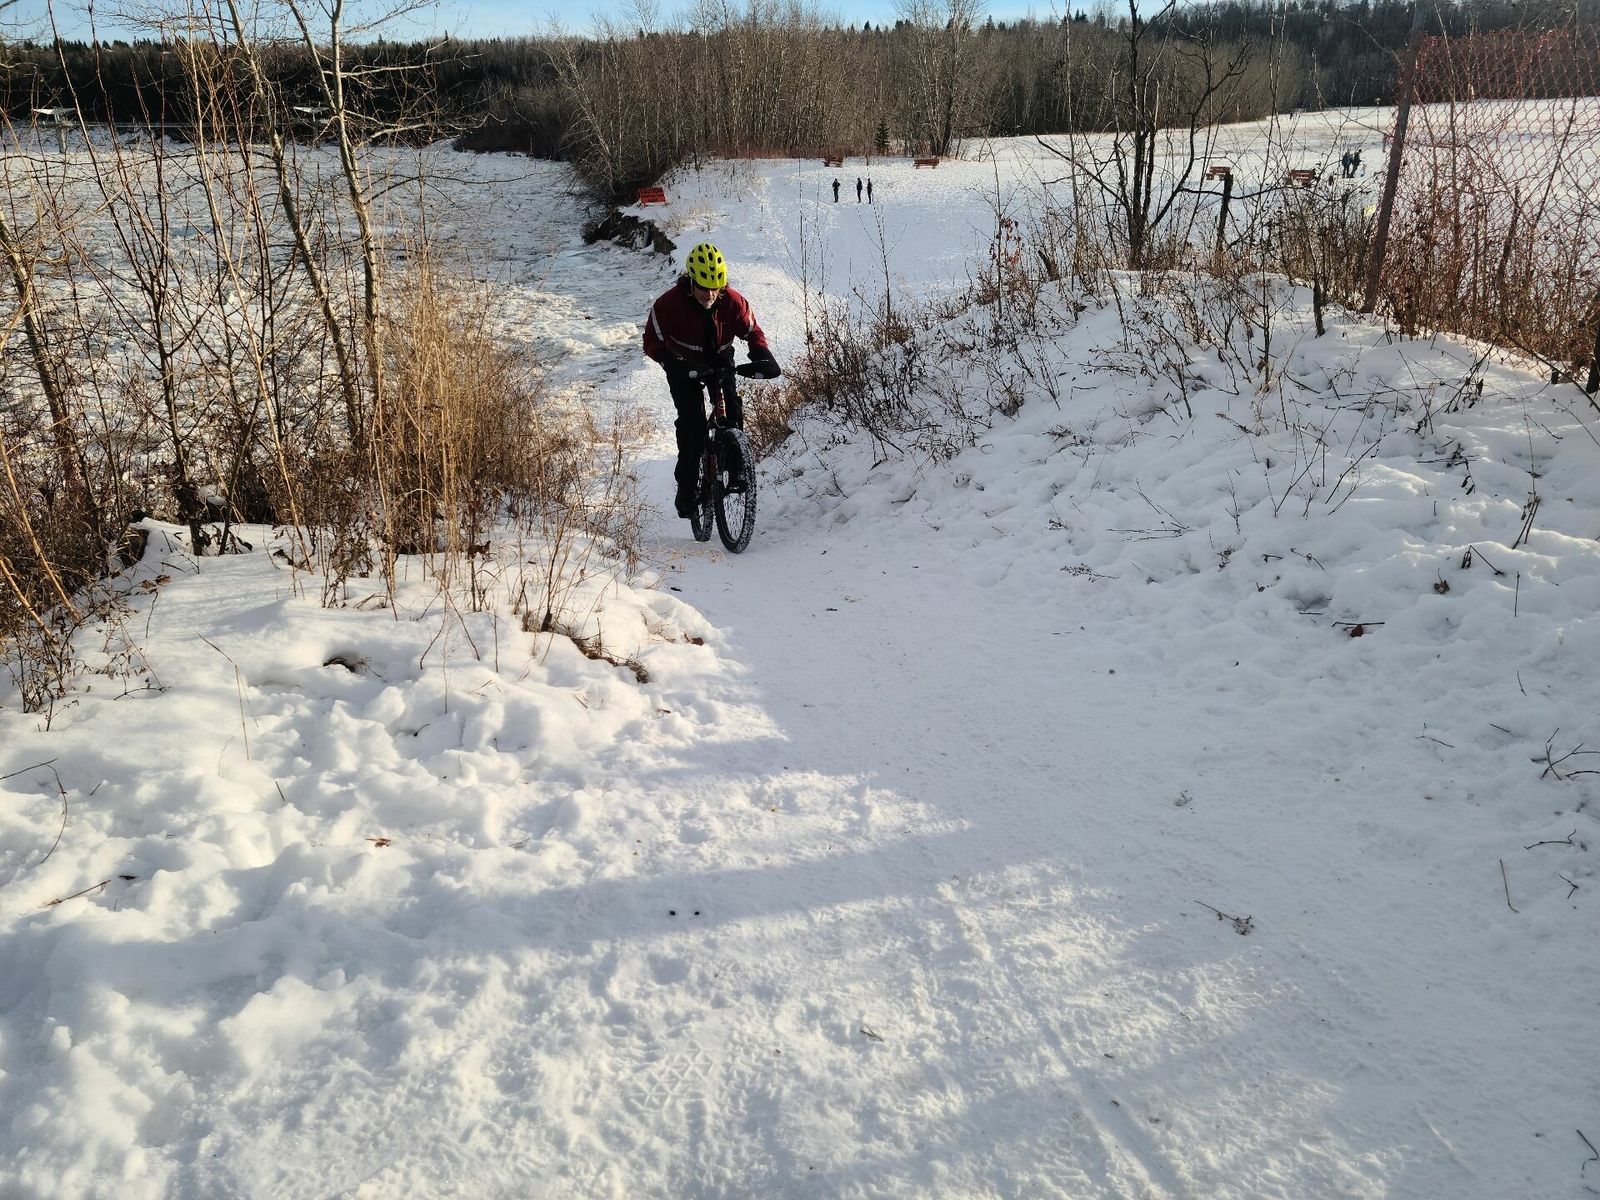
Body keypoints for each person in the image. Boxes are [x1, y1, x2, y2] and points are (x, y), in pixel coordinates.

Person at [642, 242, 782, 518]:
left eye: (715, 288)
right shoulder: (669, 305)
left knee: (732, 410)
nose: (710, 294)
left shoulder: (732, 302)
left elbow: (752, 331)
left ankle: (735, 468)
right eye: (704, 288)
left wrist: (762, 354)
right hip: (682, 363)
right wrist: (672, 363)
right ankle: (686, 487)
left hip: (720, 358)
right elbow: (652, 341)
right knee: (691, 426)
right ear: (691, 281)